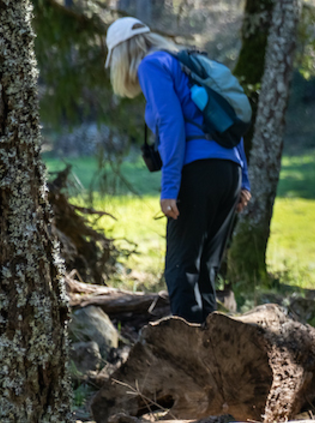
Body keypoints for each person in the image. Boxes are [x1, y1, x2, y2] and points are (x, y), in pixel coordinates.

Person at [106, 17, 251, 324]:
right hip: (229, 171)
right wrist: (244, 180)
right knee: (206, 270)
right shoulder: (188, 62)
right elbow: (226, 122)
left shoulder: (151, 65)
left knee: (181, 270)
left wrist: (169, 187)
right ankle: (212, 354)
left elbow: (172, 125)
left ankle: (191, 357)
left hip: (198, 173)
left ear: (122, 54)